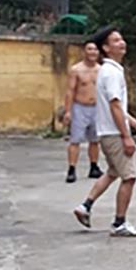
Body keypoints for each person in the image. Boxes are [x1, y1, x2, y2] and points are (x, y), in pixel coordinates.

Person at [73, 27, 136, 237]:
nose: (122, 42)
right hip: (114, 134)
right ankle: (119, 223)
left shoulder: (109, 71)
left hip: (108, 132)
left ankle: (85, 206)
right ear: (106, 48)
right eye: (116, 40)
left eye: (121, 38)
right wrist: (126, 136)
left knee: (113, 172)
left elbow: (118, 107)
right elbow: (115, 106)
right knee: (130, 177)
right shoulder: (111, 72)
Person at [62, 40, 103, 183]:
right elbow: (70, 91)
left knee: (95, 140)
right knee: (75, 140)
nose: (93, 52)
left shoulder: (101, 70)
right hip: (80, 107)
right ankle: (72, 169)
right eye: (89, 49)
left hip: (96, 108)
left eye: (95, 49)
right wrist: (68, 111)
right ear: (84, 52)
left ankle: (94, 167)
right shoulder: (76, 70)